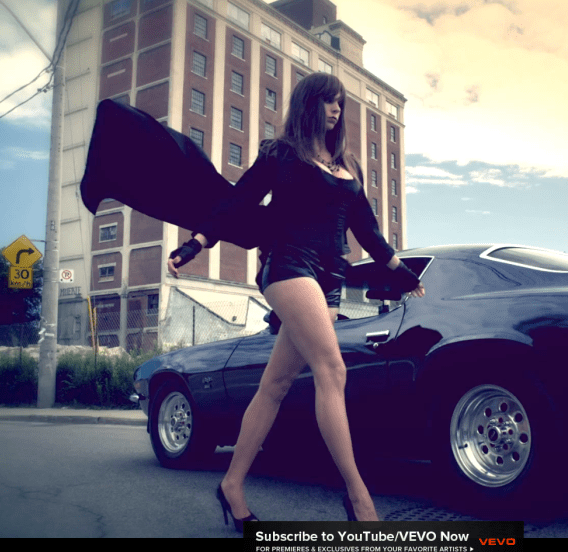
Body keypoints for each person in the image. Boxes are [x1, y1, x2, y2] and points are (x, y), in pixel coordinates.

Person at [166, 73, 425, 531]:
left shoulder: (346, 165)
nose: (336, 110)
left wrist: (402, 273)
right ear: (309, 104)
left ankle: (231, 485)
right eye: (328, 101)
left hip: (330, 278)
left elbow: (367, 230)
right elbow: (238, 201)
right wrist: (196, 244)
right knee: (333, 370)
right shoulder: (281, 154)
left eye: (340, 103)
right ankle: (359, 497)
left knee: (276, 384)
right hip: (288, 264)